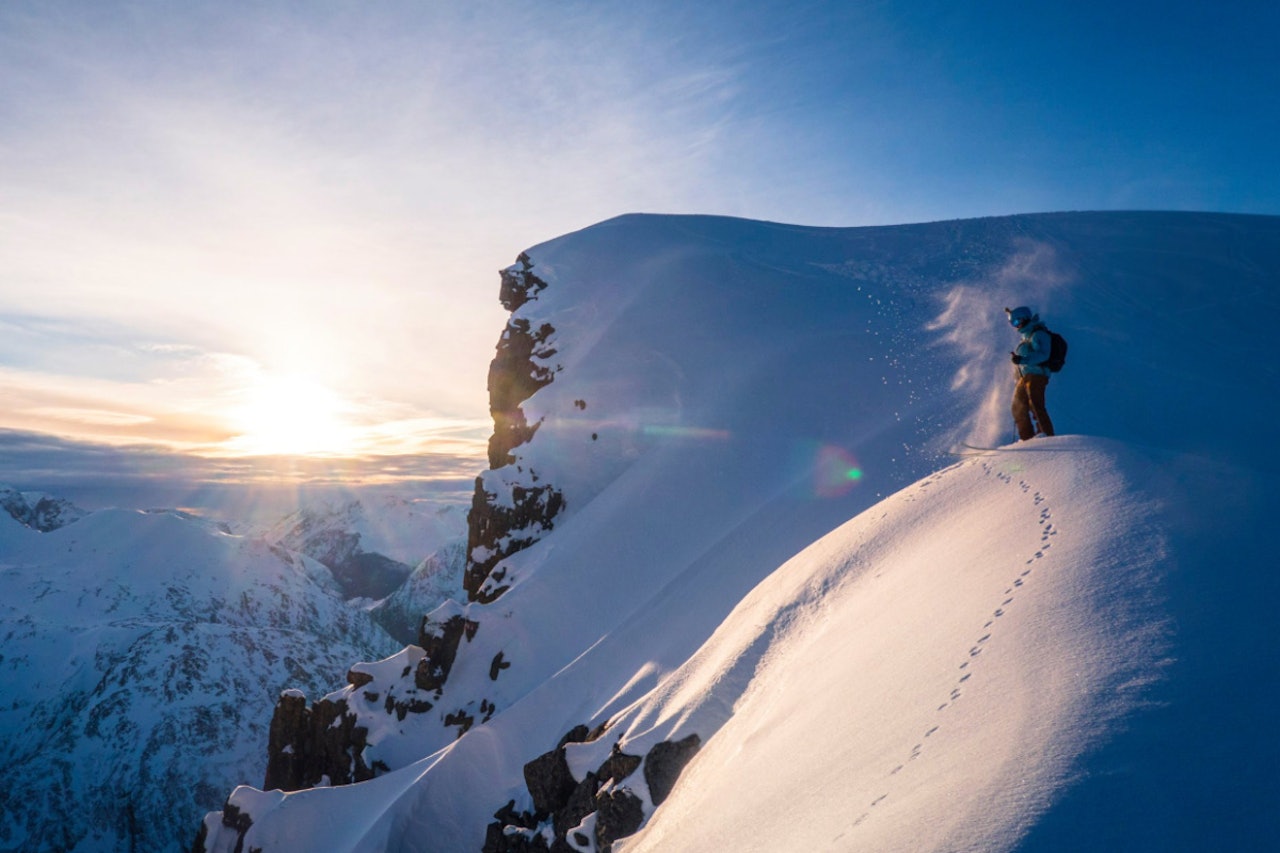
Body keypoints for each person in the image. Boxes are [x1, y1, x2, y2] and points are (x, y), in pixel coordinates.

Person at [1006, 306, 1055, 440]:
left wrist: (1022, 359)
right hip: (1025, 377)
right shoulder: (1025, 338)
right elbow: (1024, 360)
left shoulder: (1039, 334)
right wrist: (1017, 369)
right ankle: (1027, 440)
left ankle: (1046, 435)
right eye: (1012, 323)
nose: (1016, 326)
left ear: (1025, 318)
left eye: (1017, 321)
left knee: (1035, 404)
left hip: (1037, 375)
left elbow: (1044, 354)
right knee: (1017, 407)